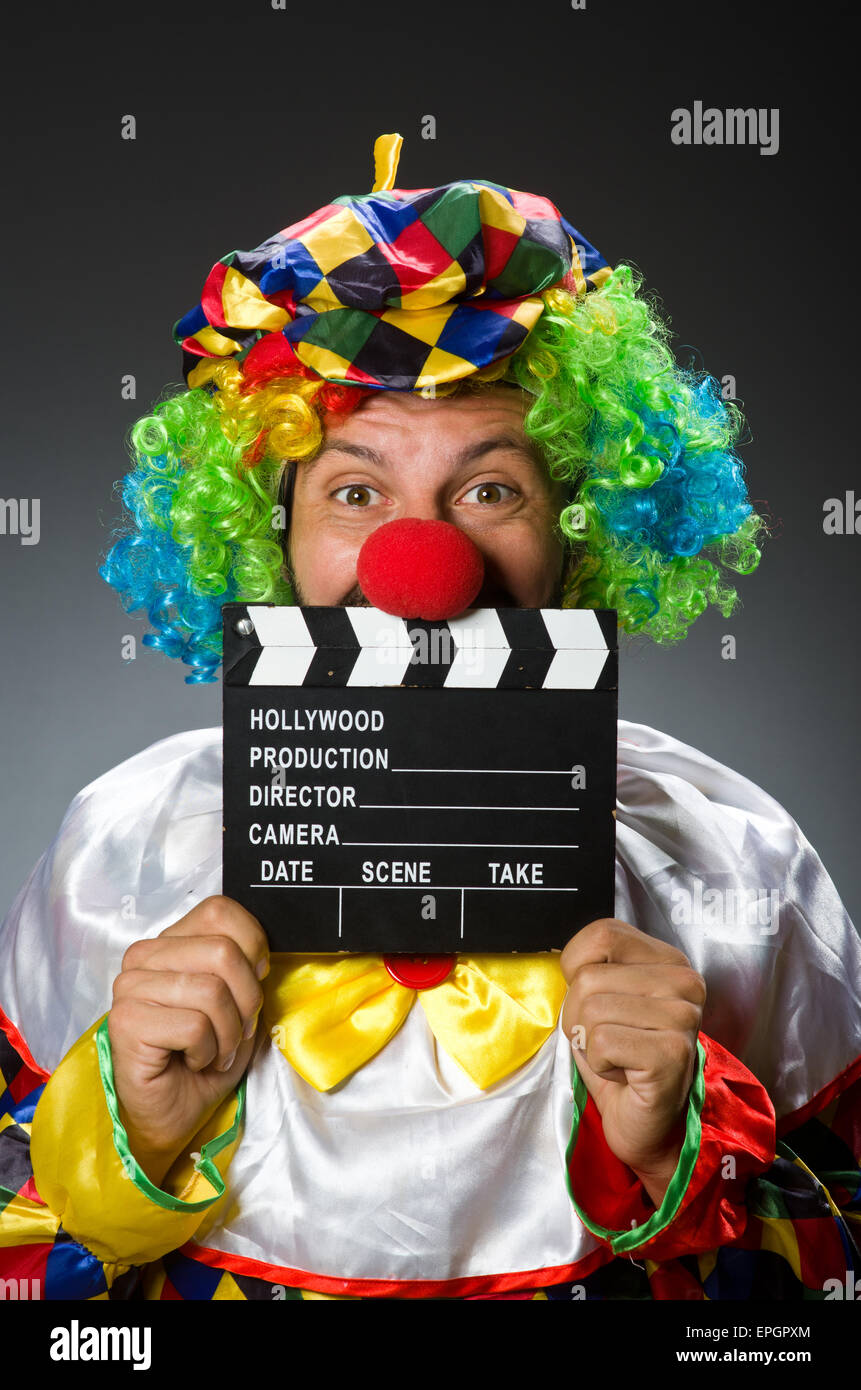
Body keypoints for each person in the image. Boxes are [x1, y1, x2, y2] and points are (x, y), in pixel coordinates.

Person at [0, 135, 858, 1302]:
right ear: (268, 535)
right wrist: (129, 1141)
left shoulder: (737, 865)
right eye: (356, 491)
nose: (424, 563)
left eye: (492, 489)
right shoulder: (118, 854)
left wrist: (673, 1153)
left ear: (584, 528)